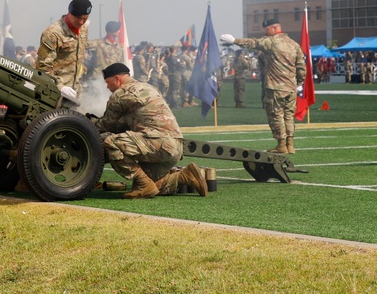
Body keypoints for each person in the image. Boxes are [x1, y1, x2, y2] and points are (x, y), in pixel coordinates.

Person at [92, 63, 207, 199]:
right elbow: (129, 122)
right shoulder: (149, 87)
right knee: (154, 186)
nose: (107, 87)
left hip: (158, 144)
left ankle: (143, 184)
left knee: (111, 142)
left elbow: (106, 124)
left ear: (117, 79)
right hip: (174, 146)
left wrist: (88, 122)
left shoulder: (121, 94)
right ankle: (185, 176)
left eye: (108, 82)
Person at [221, 18, 305, 154]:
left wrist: (234, 41)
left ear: (274, 28)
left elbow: (253, 43)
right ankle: (290, 144)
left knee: (276, 114)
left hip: (275, 88)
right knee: (289, 116)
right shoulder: (294, 44)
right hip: (291, 88)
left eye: (267, 30)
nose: (265, 33)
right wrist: (300, 83)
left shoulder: (271, 42)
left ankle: (281, 145)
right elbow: (301, 67)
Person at [36, 0, 91, 95]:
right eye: (79, 18)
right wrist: (60, 87)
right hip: (54, 90)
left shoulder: (83, 29)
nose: (81, 22)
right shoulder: (53, 33)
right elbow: (42, 67)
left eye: (85, 19)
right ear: (70, 13)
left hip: (75, 90)